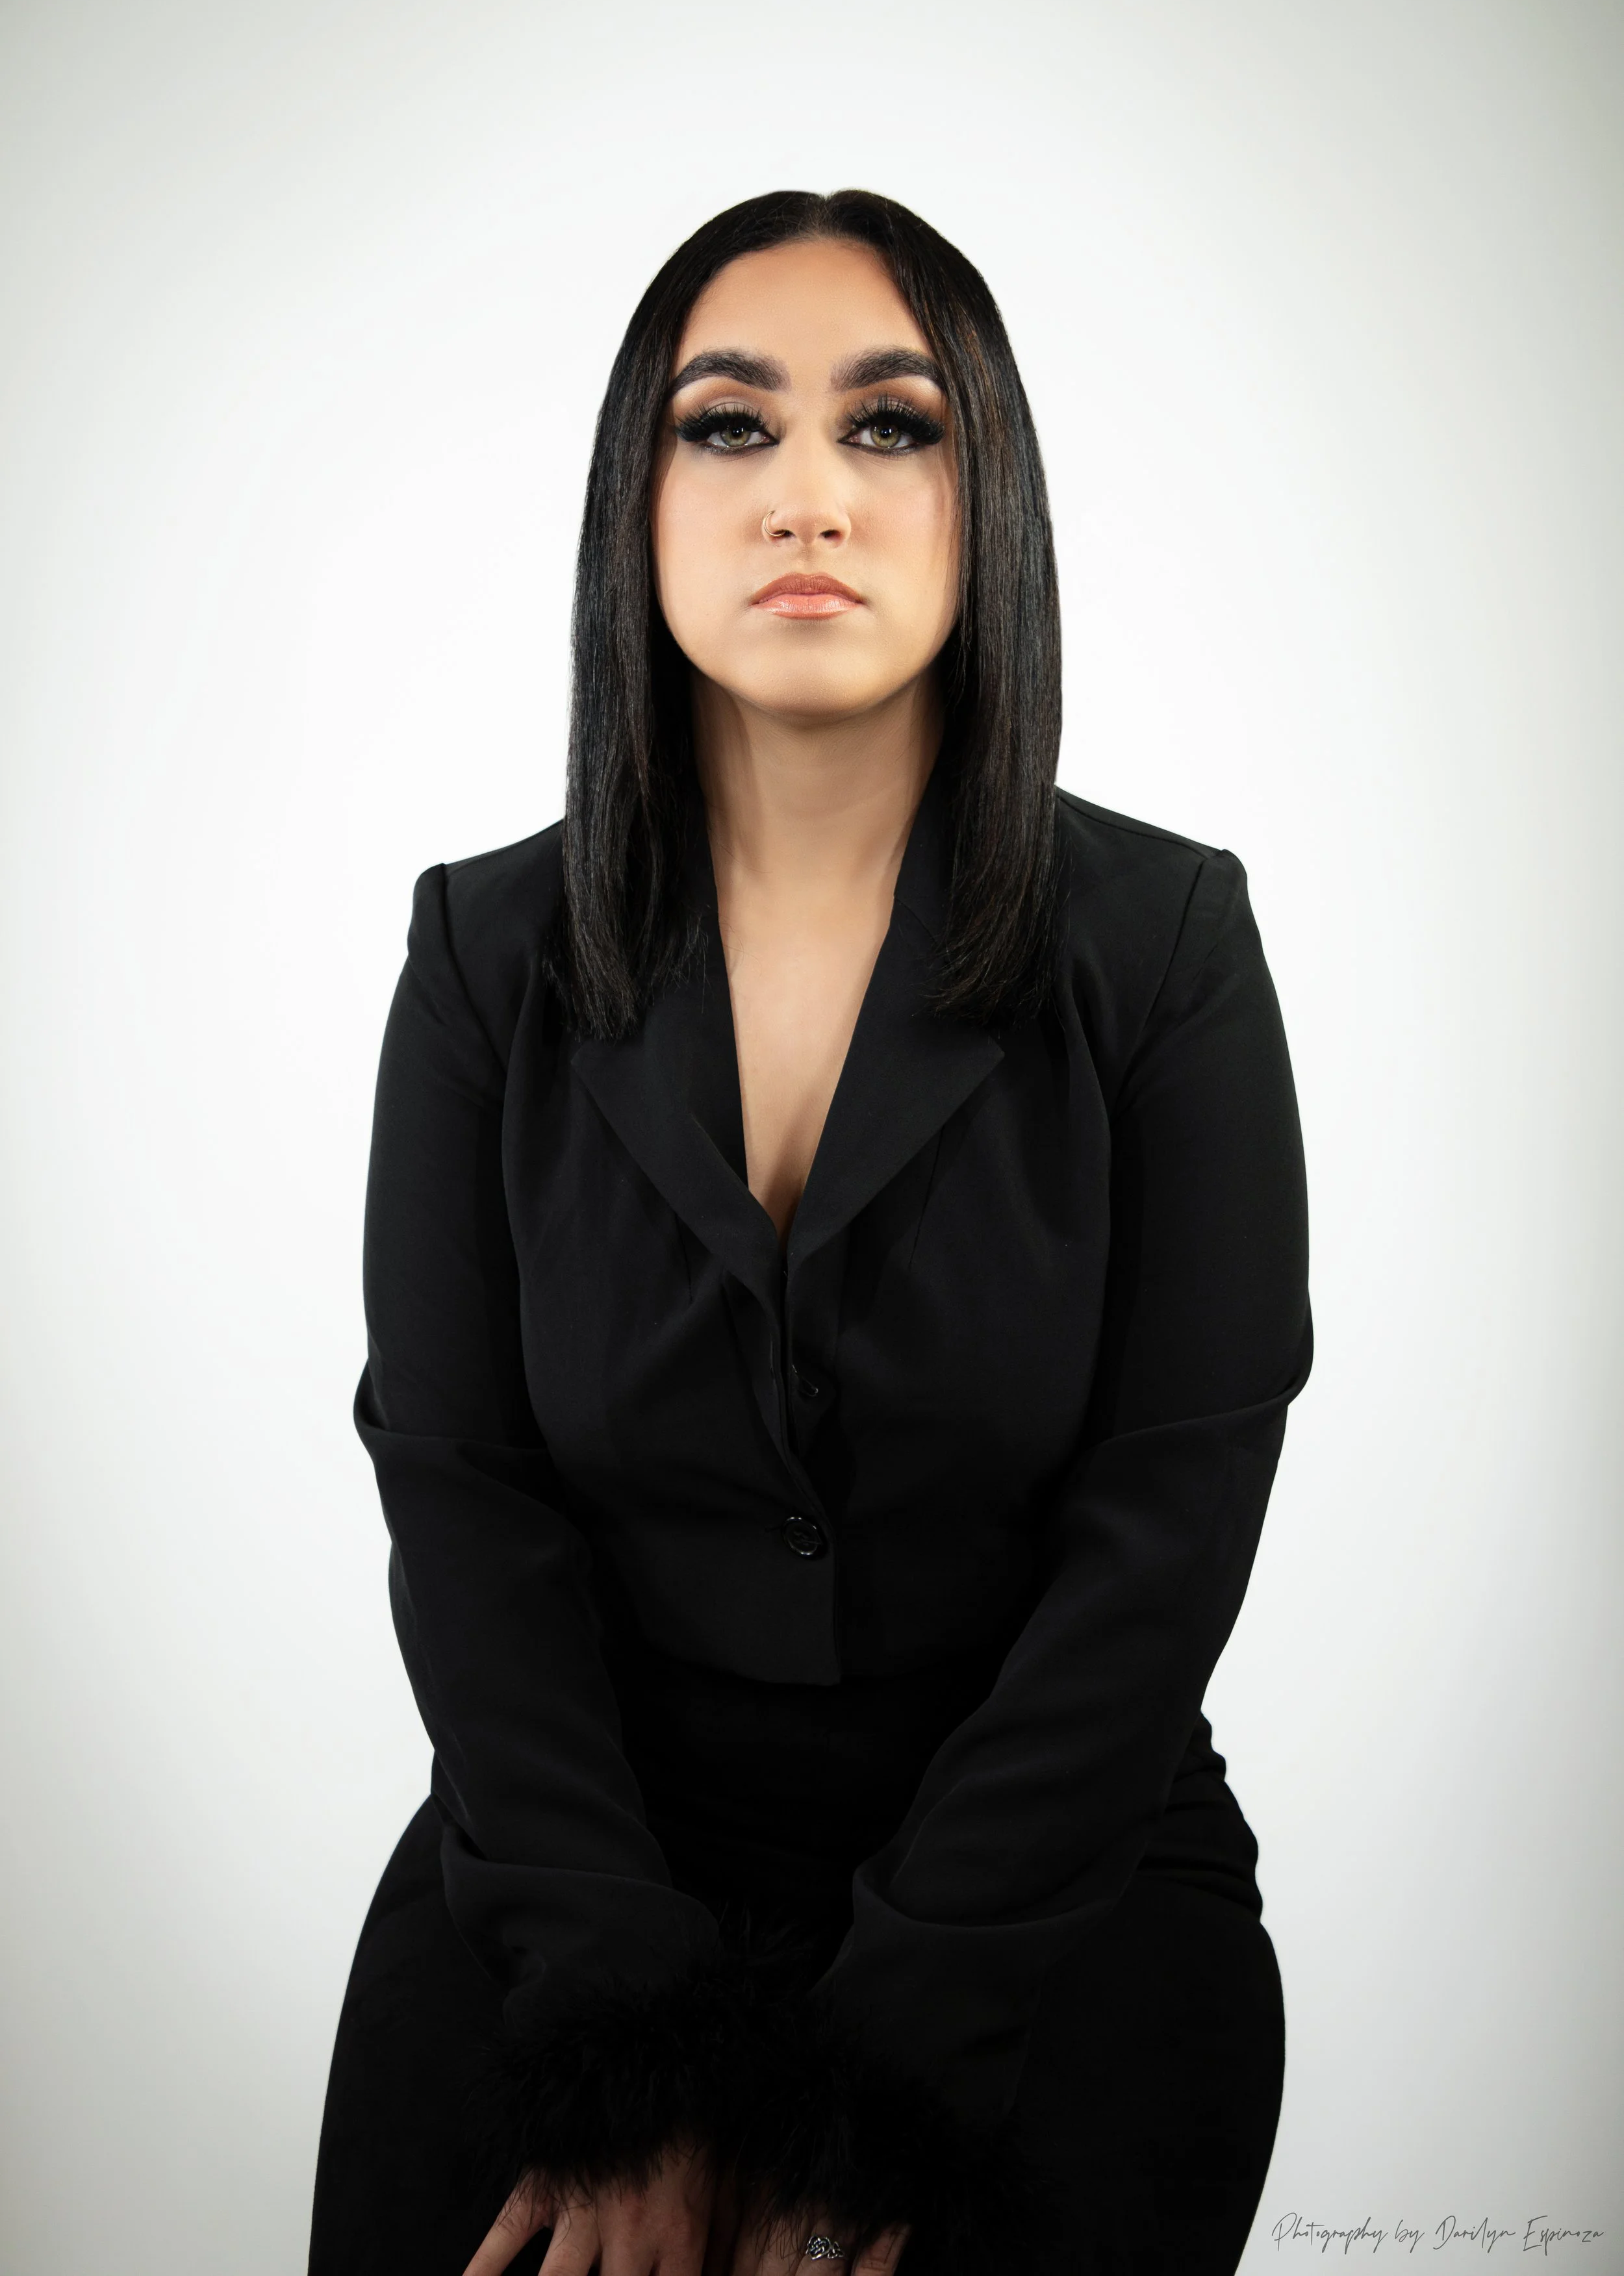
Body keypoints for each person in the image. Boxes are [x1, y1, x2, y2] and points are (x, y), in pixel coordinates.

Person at [307, 188, 1313, 2276]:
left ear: (989, 500)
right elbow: (465, 1510)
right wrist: (627, 2046)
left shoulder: (1168, 945)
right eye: (726, 425)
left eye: (890, 426)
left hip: (1052, 1872)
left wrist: (888, 2069)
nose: (807, 499)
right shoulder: (481, 955)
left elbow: (1167, 1527)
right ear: (635, 501)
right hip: (579, 1860)